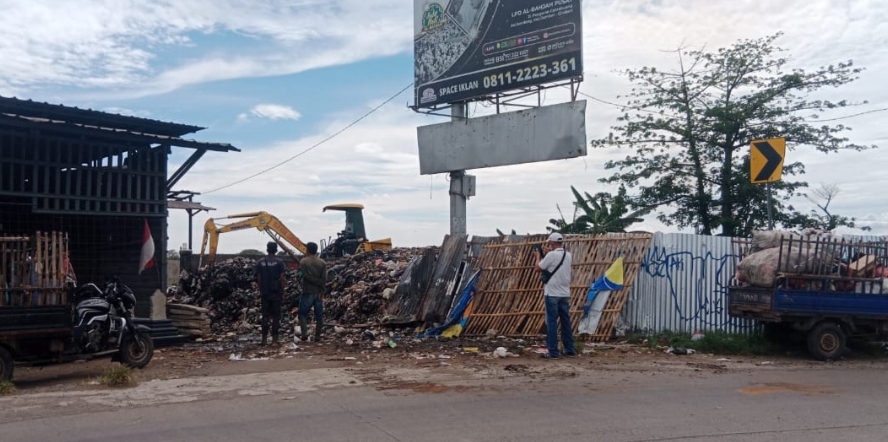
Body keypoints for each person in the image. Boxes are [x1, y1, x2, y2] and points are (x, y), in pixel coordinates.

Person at [533, 232, 576, 359]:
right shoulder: (568, 255)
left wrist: (537, 256)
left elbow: (538, 268)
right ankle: (569, 349)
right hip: (564, 294)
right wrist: (547, 254)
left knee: (552, 322)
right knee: (565, 322)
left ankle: (553, 351)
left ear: (551, 243)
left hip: (552, 293)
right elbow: (553, 264)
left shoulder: (551, 255)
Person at [255, 241, 287, 346]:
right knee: (276, 316)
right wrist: (283, 292)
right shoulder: (280, 262)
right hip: (276, 292)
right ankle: (274, 340)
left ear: (267, 249)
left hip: (265, 293)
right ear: (276, 249)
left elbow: (259, 278)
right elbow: (282, 278)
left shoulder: (260, 262)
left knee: (265, 316)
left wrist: (261, 290)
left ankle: (263, 340)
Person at [298, 242, 327, 342]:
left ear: (307, 250)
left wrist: (315, 282)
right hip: (319, 292)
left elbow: (304, 276)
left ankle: (304, 334)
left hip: (308, 291)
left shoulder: (303, 262)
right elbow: (324, 279)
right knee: (319, 315)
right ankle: (317, 336)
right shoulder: (322, 262)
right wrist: (322, 290)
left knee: (302, 314)